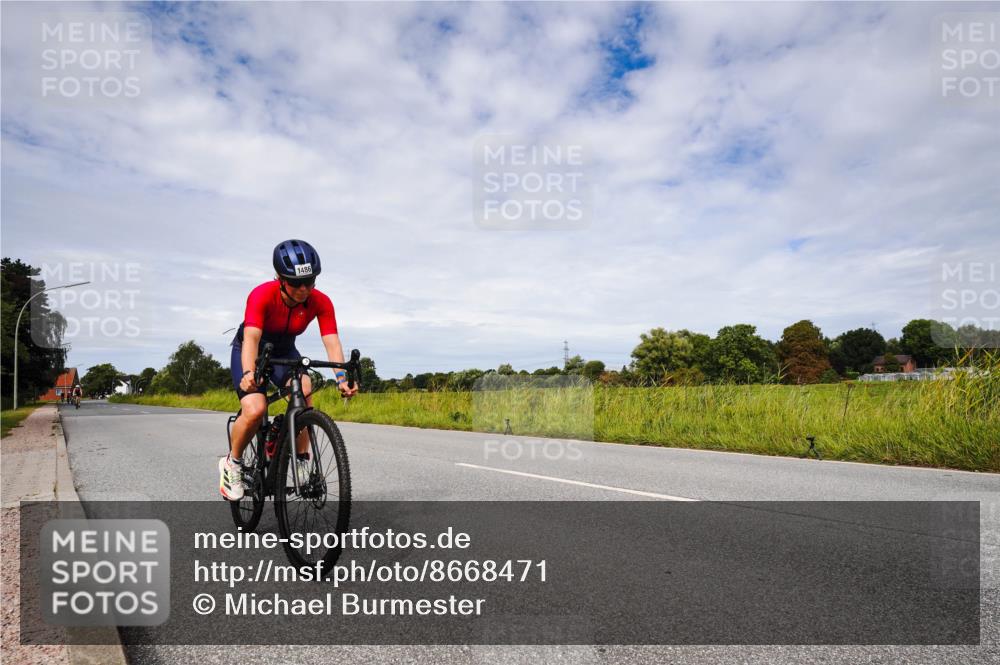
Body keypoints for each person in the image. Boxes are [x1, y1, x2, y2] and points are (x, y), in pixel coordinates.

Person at [220, 239, 358, 501]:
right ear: (280, 278)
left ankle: (301, 460)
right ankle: (232, 464)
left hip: (285, 353)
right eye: (296, 283)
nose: (304, 289)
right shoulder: (262, 294)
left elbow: (331, 340)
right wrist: (249, 374)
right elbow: (251, 338)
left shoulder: (321, 302)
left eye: (310, 282)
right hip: (252, 351)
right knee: (256, 408)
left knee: (305, 393)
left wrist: (341, 377)